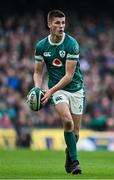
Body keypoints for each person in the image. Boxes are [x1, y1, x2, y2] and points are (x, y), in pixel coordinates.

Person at [33, 9, 86, 175]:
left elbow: (69, 76)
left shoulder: (72, 44)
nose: (61, 26)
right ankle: (75, 162)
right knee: (68, 122)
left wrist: (48, 92)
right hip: (58, 89)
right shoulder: (41, 46)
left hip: (75, 89)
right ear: (49, 24)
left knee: (75, 134)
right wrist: (37, 87)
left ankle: (69, 154)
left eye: (63, 23)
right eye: (57, 22)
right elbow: (37, 72)